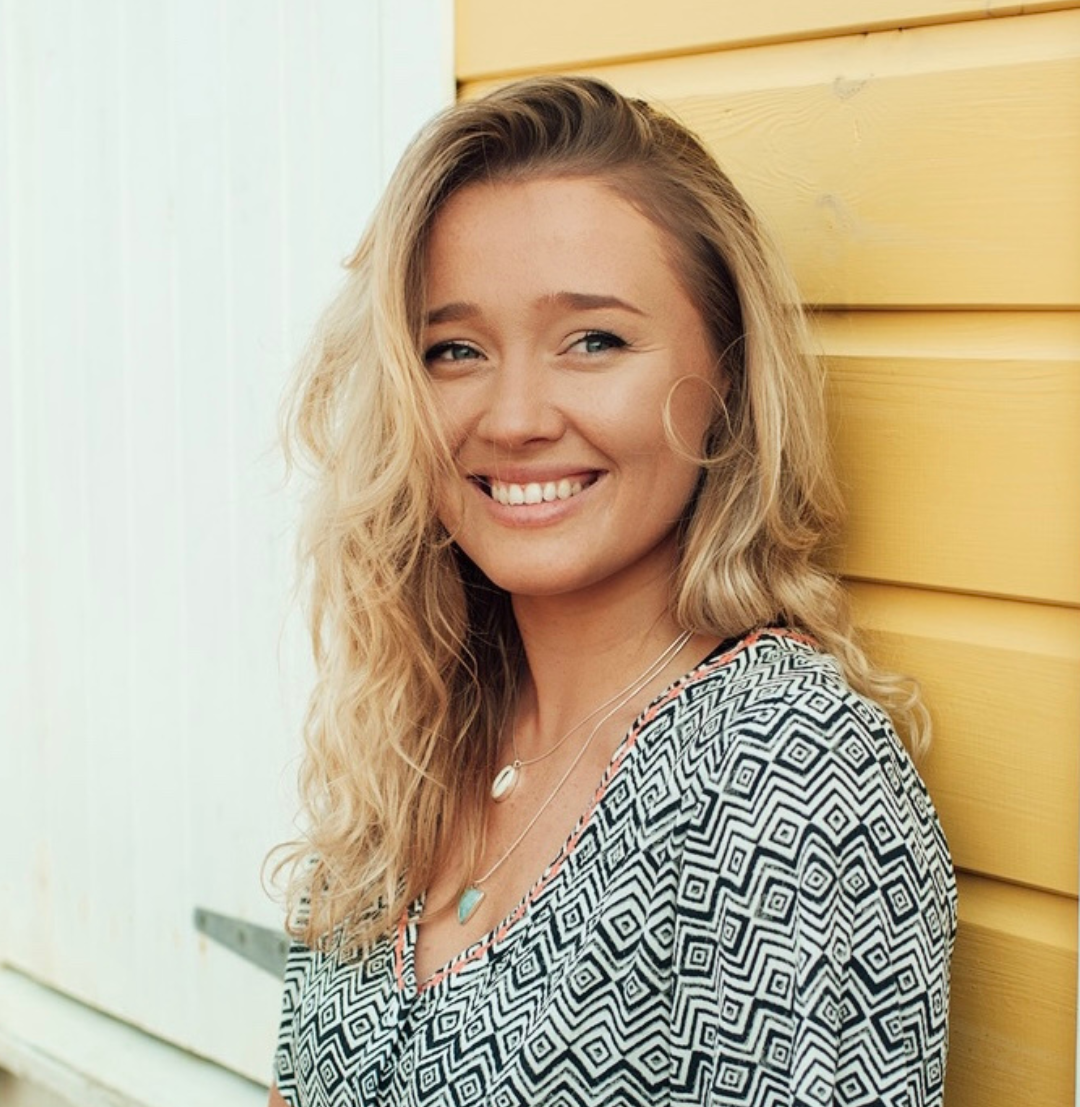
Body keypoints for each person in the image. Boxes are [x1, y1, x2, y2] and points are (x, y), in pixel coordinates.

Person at [268, 76, 956, 1106]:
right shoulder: (418, 728)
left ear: (727, 376)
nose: (513, 418)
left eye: (593, 341)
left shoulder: (779, 769)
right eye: (454, 350)